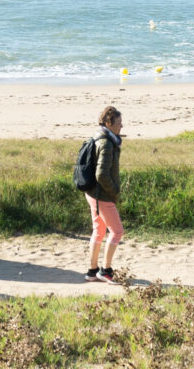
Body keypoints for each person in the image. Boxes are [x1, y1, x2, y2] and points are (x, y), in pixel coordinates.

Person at [83, 106, 124, 284]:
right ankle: (105, 271)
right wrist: (114, 189)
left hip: (92, 193)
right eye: (119, 123)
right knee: (117, 232)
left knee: (98, 231)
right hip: (102, 196)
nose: (121, 127)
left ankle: (92, 271)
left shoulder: (97, 136)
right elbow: (101, 174)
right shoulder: (107, 143)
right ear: (109, 123)